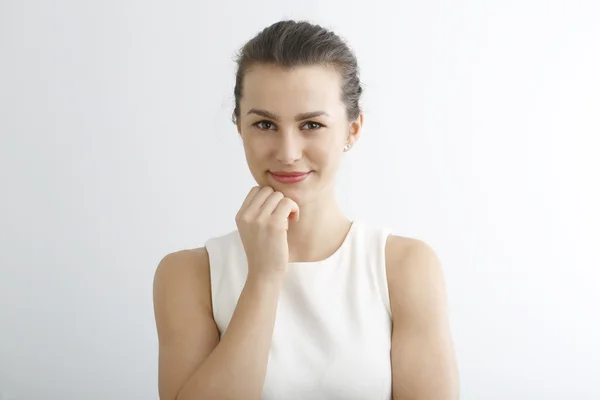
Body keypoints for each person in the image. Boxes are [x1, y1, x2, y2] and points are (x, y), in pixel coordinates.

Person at [153, 20, 459, 400]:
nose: (288, 152)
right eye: (264, 124)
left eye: (311, 124)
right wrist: (264, 277)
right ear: (240, 128)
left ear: (352, 130)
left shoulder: (404, 266)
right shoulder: (189, 275)